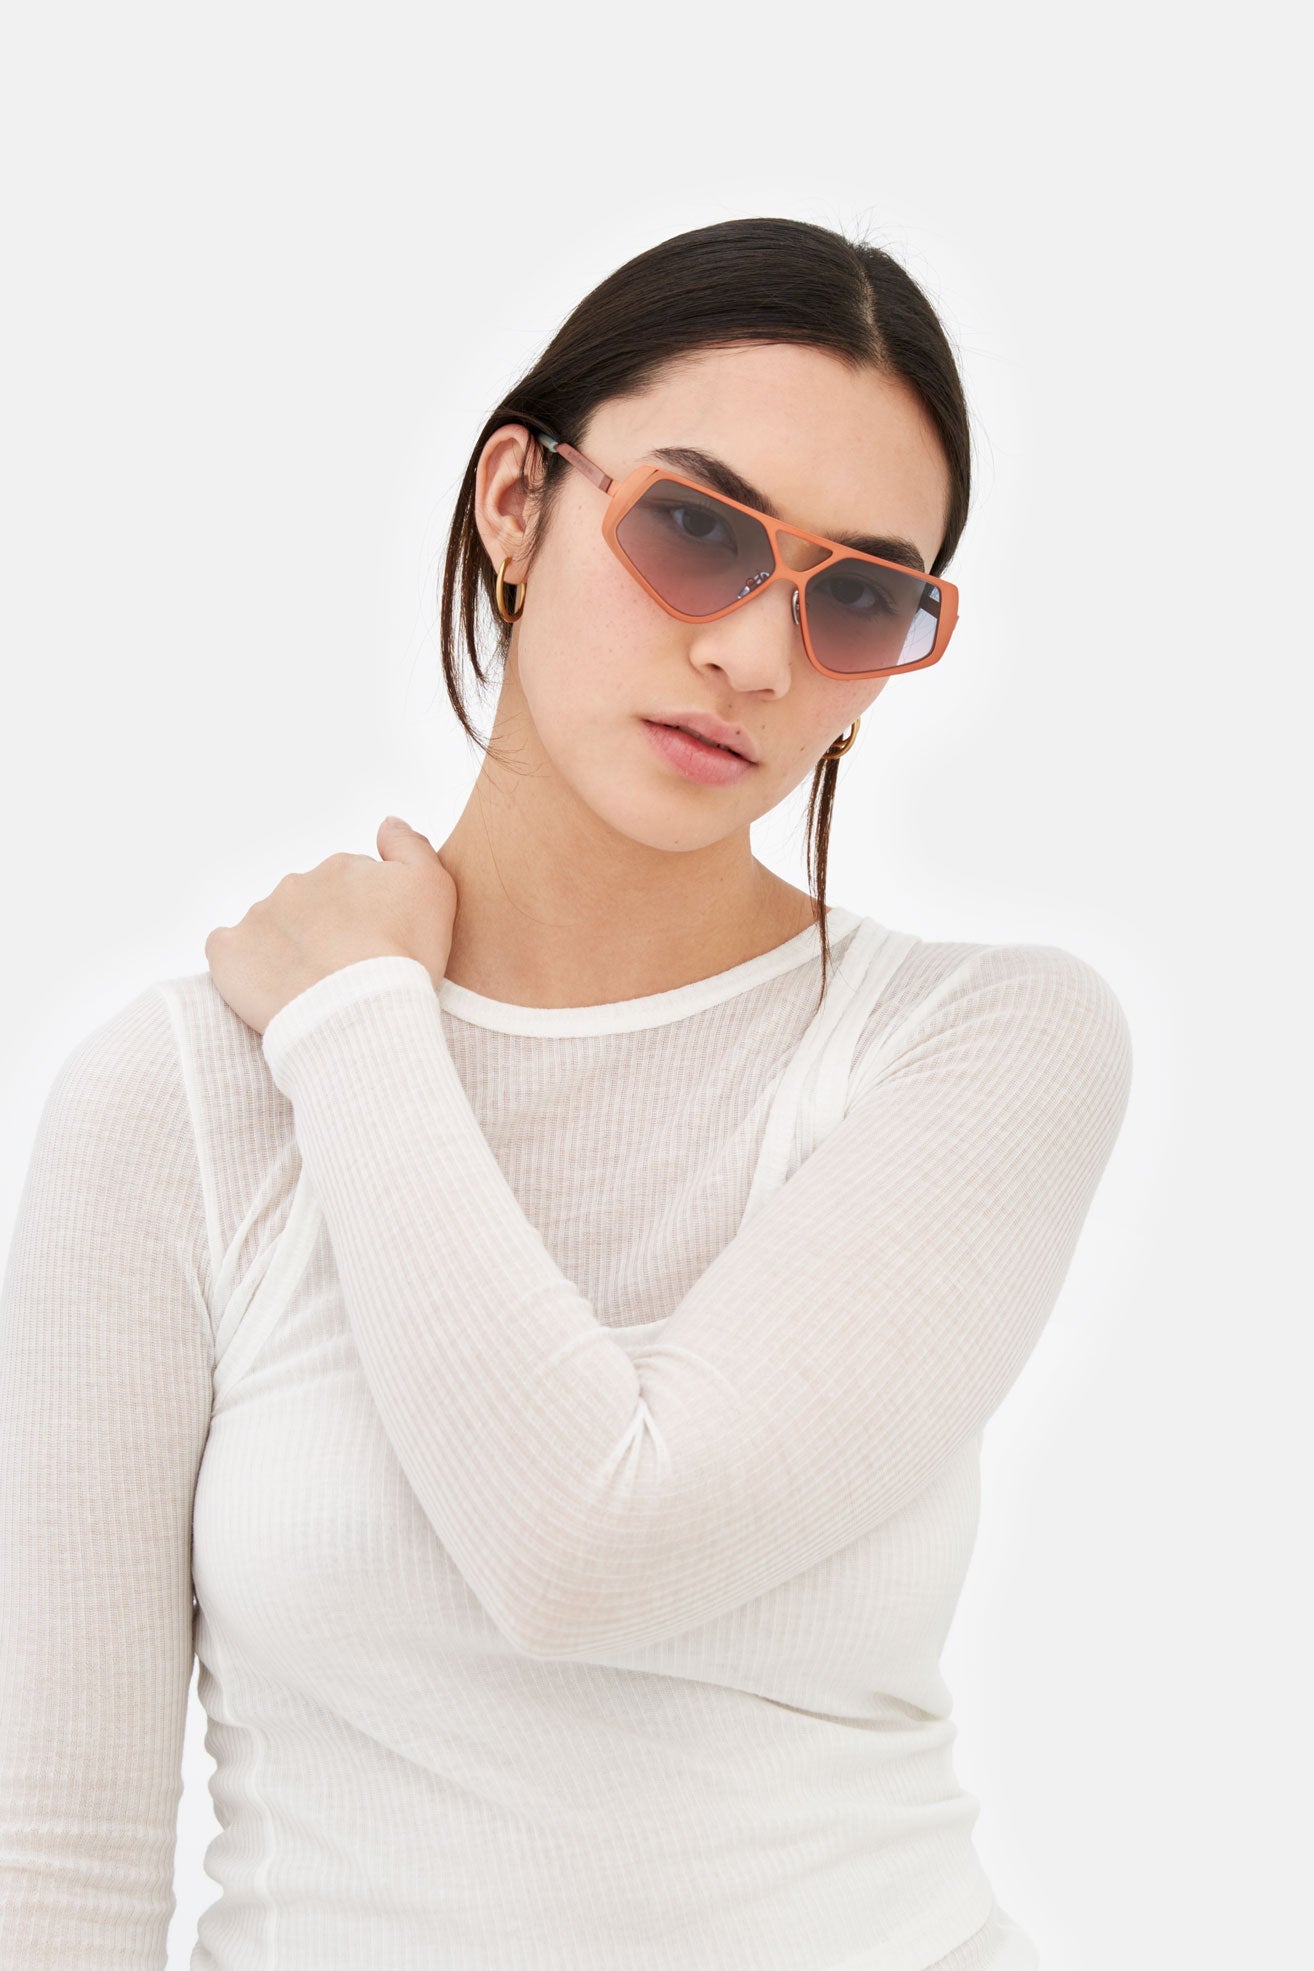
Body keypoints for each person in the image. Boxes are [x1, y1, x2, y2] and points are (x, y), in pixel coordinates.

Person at [0, 215, 1132, 1969]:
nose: (754, 657)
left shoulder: (971, 1048)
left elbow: (592, 1550)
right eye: (695, 530)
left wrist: (364, 1030)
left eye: (856, 596)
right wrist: (350, 1031)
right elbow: (57, 1865)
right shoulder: (181, 1106)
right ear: (514, 503)